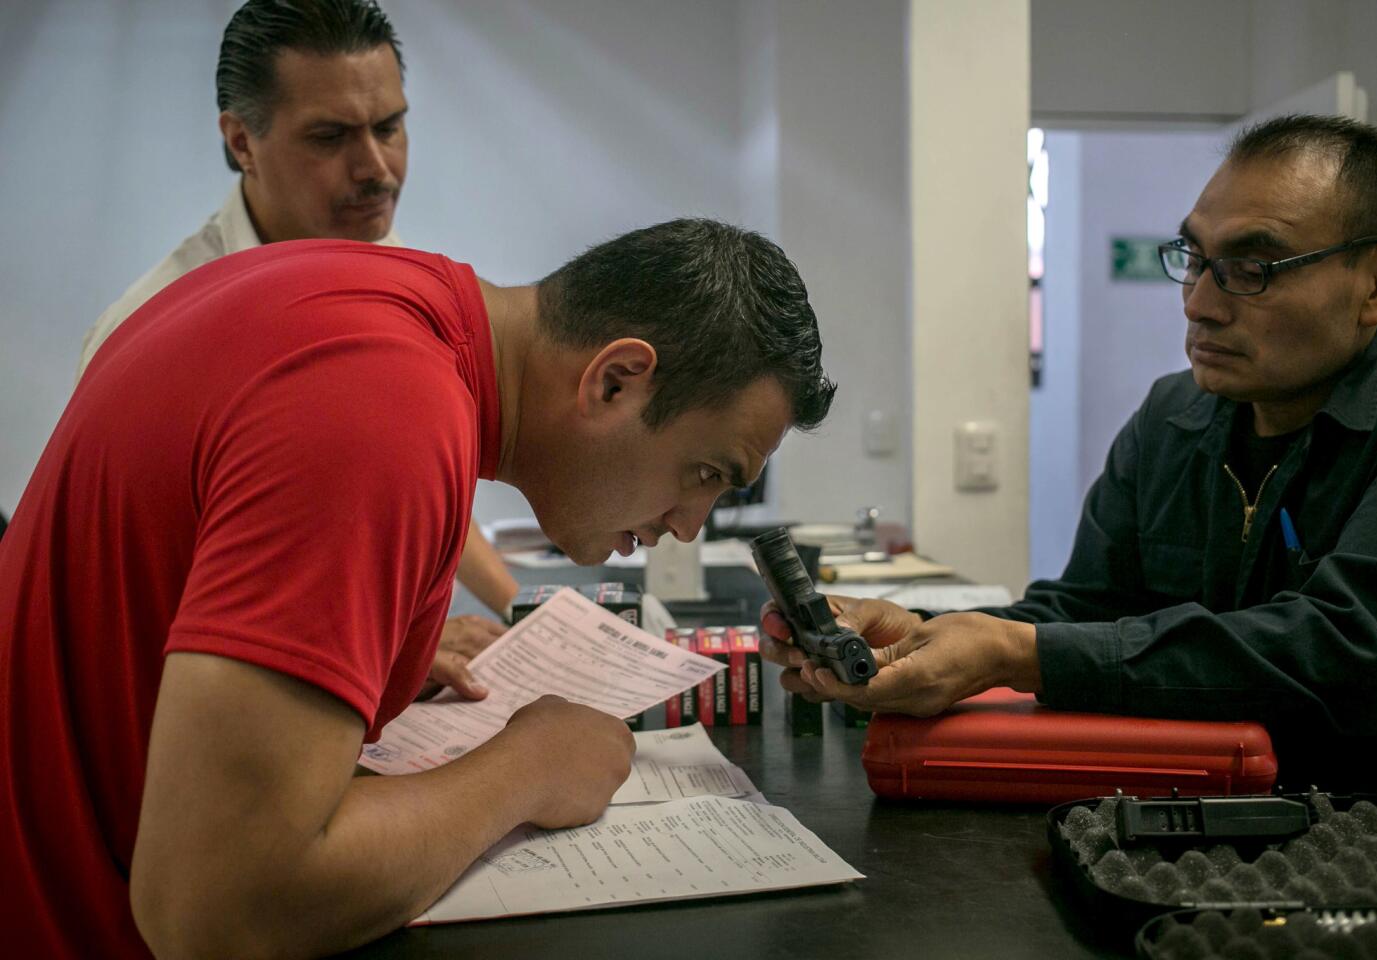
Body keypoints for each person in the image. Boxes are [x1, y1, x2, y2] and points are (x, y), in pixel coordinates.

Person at [0, 218, 837, 958]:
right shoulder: (387, 408)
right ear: (615, 380)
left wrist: (362, 639)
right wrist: (529, 767)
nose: (689, 523)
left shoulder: (375, 298)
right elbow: (218, 911)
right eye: (706, 473)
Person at [766, 114, 1377, 803]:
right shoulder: (1172, 419)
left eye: (1253, 270)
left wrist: (1015, 654)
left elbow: (1349, 652)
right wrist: (929, 640)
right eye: (1195, 260)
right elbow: (1091, 607)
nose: (1200, 305)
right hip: (1197, 822)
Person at [75, 0, 519, 676]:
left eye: (390, 126)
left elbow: (415, 476)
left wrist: (526, 613)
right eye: (330, 137)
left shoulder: (385, 260)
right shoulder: (147, 330)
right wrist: (385, 652)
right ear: (242, 141)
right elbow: (130, 601)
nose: (377, 168)